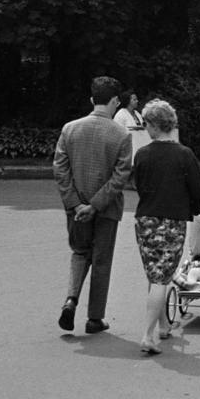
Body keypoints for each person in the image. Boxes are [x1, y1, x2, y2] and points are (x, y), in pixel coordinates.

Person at [53, 76, 134, 334]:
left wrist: (76, 204)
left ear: (92, 99)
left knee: (79, 252)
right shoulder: (122, 134)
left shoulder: (69, 129)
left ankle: (71, 299)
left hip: (76, 209)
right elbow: (120, 176)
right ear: (115, 101)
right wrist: (96, 205)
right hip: (107, 209)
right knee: (101, 260)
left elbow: (60, 170)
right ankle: (94, 318)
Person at [130, 98, 200, 354]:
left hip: (146, 219)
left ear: (154, 125)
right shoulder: (184, 155)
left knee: (155, 275)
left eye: (146, 124)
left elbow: (139, 185)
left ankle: (163, 325)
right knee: (161, 277)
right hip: (172, 220)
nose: (145, 128)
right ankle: (147, 335)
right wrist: (193, 209)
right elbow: (197, 189)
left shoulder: (142, 154)